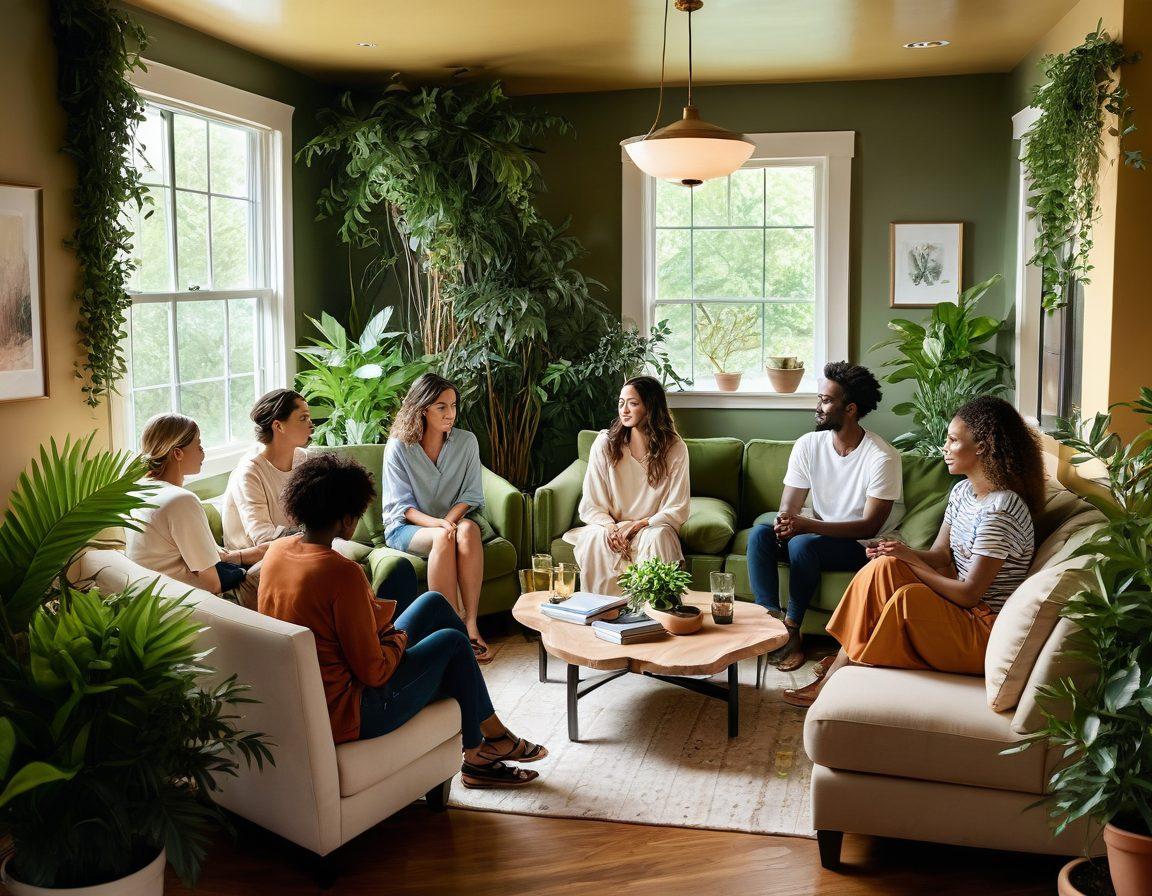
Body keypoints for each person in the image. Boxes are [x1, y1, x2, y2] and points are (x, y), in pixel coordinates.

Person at [259, 452, 547, 788]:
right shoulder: (340, 572)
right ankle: (479, 750)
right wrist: (396, 637)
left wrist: (385, 631)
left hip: (319, 693)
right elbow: (375, 671)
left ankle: (486, 738)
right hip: (352, 711)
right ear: (345, 519)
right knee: (453, 644)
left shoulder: (277, 552)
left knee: (434, 603)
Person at [783, 395, 1044, 708]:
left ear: (982, 447)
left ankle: (844, 666)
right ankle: (846, 659)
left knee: (909, 598)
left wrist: (908, 558)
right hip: (962, 614)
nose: (944, 448)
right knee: (884, 567)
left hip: (983, 630)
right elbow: (941, 557)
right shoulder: (962, 492)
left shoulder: (1001, 510)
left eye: (952, 440)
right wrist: (898, 552)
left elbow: (969, 594)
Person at [746, 361, 904, 672]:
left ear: (850, 409)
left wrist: (804, 525)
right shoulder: (809, 445)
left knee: (803, 545)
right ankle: (770, 624)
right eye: (819, 398)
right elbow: (788, 507)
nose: (818, 406)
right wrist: (785, 523)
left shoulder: (882, 457)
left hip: (860, 544)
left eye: (827, 400)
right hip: (816, 534)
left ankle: (793, 629)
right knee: (761, 535)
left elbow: (870, 524)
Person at [222, 388, 418, 609]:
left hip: (307, 544)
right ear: (278, 426)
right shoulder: (250, 472)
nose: (311, 424)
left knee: (386, 563)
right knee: (347, 567)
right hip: (263, 562)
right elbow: (262, 537)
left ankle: (383, 617)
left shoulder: (304, 459)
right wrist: (317, 531)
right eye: (303, 418)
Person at [381, 373, 491, 662]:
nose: (451, 414)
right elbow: (401, 507)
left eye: (454, 405)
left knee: (468, 532)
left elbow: (471, 494)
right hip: (407, 526)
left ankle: (471, 627)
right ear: (422, 408)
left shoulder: (466, 442)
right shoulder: (399, 447)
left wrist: (449, 520)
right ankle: (450, 626)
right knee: (445, 536)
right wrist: (439, 524)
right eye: (442, 407)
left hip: (451, 520)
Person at [565, 375, 690, 596]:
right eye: (621, 403)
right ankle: (601, 613)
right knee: (595, 538)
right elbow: (592, 504)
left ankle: (654, 616)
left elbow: (677, 508)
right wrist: (612, 529)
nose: (624, 410)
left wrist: (636, 526)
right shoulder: (605, 444)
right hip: (611, 527)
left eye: (633, 403)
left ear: (650, 407)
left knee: (658, 537)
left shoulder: (675, 447)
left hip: (651, 527)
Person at [127, 413, 266, 606]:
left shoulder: (140, 491)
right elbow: (213, 584)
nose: (203, 452)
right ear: (178, 453)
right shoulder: (180, 501)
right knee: (284, 564)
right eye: (198, 445)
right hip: (192, 603)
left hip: (155, 599)